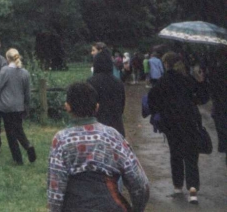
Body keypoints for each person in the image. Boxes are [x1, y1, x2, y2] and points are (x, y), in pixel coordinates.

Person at [47, 82, 150, 212]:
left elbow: (55, 193)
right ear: (97, 107)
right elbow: (140, 184)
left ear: (67, 107)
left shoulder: (61, 140)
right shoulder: (112, 136)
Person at [148, 51, 209, 204]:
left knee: (175, 153)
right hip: (190, 121)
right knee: (191, 155)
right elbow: (202, 98)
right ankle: (193, 190)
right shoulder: (188, 80)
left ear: (166, 64)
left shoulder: (162, 82)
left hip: (170, 123)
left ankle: (177, 187)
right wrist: (201, 81)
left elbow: (152, 102)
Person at [0, 48, 36, 165]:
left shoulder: (5, 71)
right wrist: (26, 106)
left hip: (6, 106)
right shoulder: (25, 73)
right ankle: (28, 145)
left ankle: (18, 159)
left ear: (7, 58)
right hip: (19, 106)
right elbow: (27, 94)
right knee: (18, 129)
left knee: (10, 133)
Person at [87, 50, 126, 137]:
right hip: (116, 126)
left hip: (97, 126)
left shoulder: (91, 82)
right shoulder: (118, 82)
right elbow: (122, 105)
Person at [208, 47, 227, 166]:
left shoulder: (215, 70)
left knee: (224, 134)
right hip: (221, 107)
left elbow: (211, 92)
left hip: (220, 107)